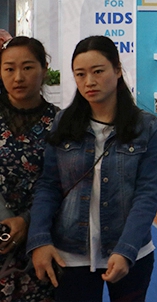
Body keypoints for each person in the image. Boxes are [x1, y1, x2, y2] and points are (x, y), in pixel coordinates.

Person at [28, 35, 157, 302]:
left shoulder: (145, 126)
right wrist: (39, 239)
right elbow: (48, 185)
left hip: (131, 251)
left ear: (117, 70)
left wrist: (126, 249)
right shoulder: (63, 123)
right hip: (70, 253)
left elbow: (147, 193)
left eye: (98, 71)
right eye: (80, 74)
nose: (89, 81)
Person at [0, 36, 58, 301]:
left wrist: (27, 220)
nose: (18, 77)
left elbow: (67, 184)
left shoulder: (62, 123)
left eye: (27, 67)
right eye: (9, 68)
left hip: (42, 240)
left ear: (44, 69)